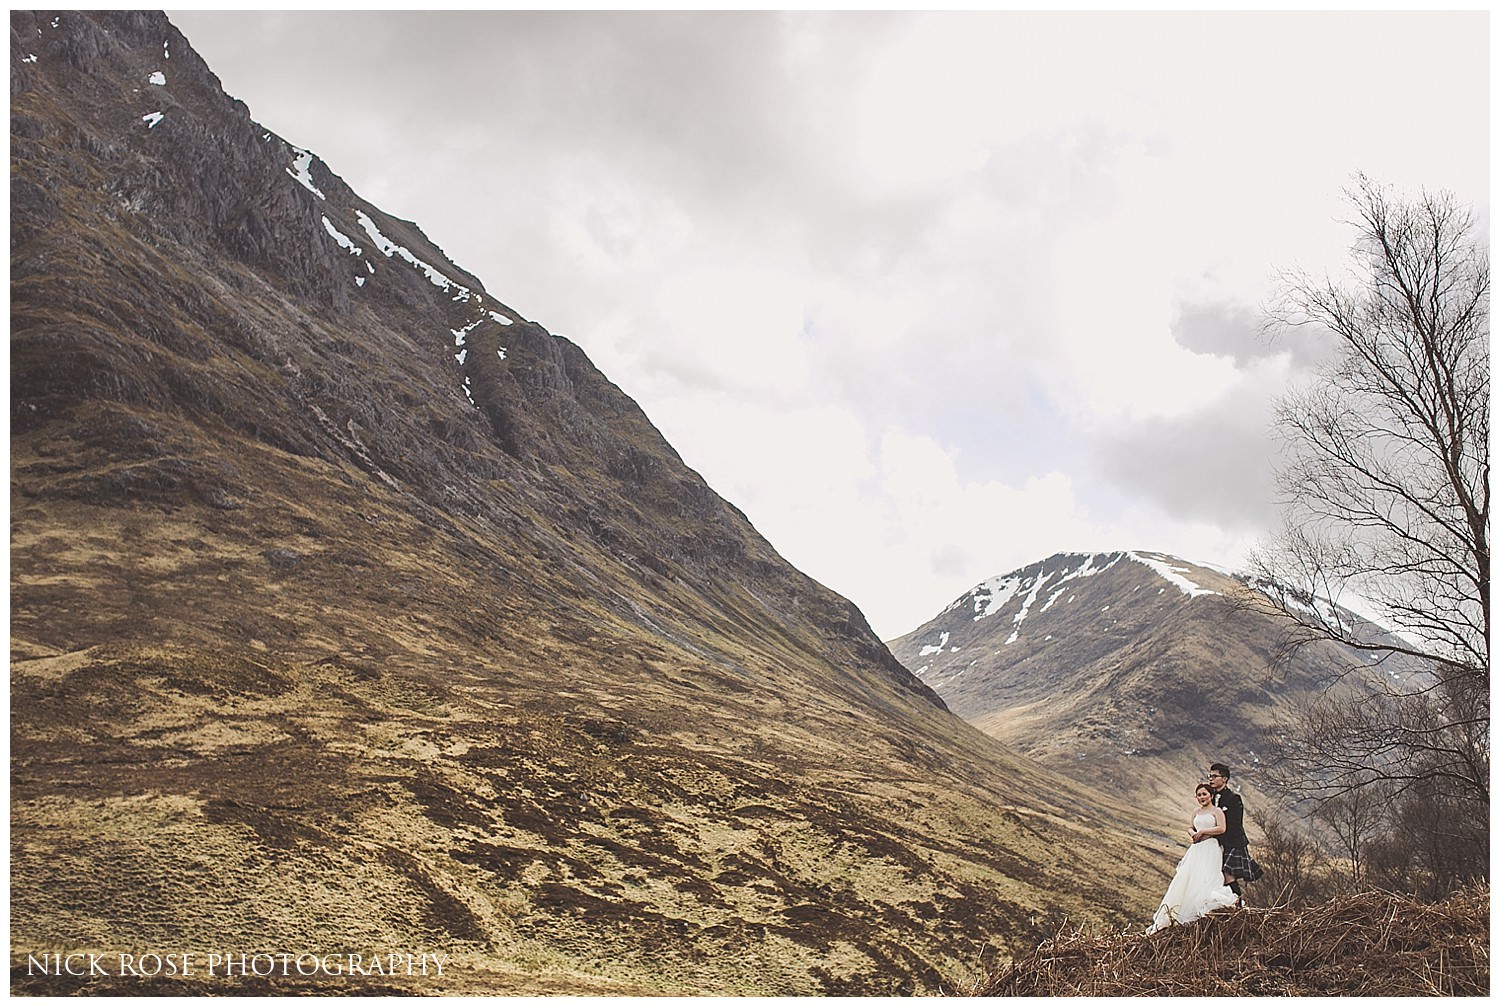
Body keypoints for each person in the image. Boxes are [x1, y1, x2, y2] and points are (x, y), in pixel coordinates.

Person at [1146, 783, 1240, 934]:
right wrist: (1192, 833)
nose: (1202, 797)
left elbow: (1222, 828)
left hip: (1210, 847)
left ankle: (1201, 909)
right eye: (1199, 795)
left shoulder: (1217, 811)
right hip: (1197, 848)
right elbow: (1190, 826)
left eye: (1204, 794)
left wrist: (1203, 831)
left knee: (1207, 876)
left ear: (1211, 795)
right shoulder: (1196, 811)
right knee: (1189, 877)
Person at [1207, 762, 1259, 900]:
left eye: (1214, 776)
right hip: (1215, 843)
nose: (1211, 779)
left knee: (1228, 875)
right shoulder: (1208, 798)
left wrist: (1219, 839)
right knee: (1217, 875)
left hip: (1233, 843)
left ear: (1224, 779)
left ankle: (1239, 903)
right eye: (1209, 776)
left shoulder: (1233, 798)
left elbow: (1235, 824)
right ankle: (1226, 904)